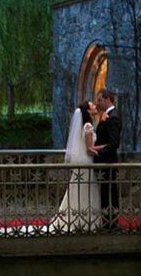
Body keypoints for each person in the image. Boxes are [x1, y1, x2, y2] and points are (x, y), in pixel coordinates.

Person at [50, 101, 102, 233]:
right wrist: (104, 148)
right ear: (88, 111)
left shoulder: (85, 125)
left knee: (77, 189)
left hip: (82, 160)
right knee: (86, 190)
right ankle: (86, 221)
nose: (95, 106)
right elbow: (90, 149)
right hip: (86, 161)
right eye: (92, 105)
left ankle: (77, 217)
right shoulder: (88, 126)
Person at [93, 88, 121, 230]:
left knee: (110, 192)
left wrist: (99, 153)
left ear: (107, 99)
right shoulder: (106, 115)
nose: (98, 103)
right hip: (103, 163)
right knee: (105, 191)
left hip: (107, 162)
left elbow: (114, 143)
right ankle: (107, 220)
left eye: (99, 100)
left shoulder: (113, 117)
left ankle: (111, 222)